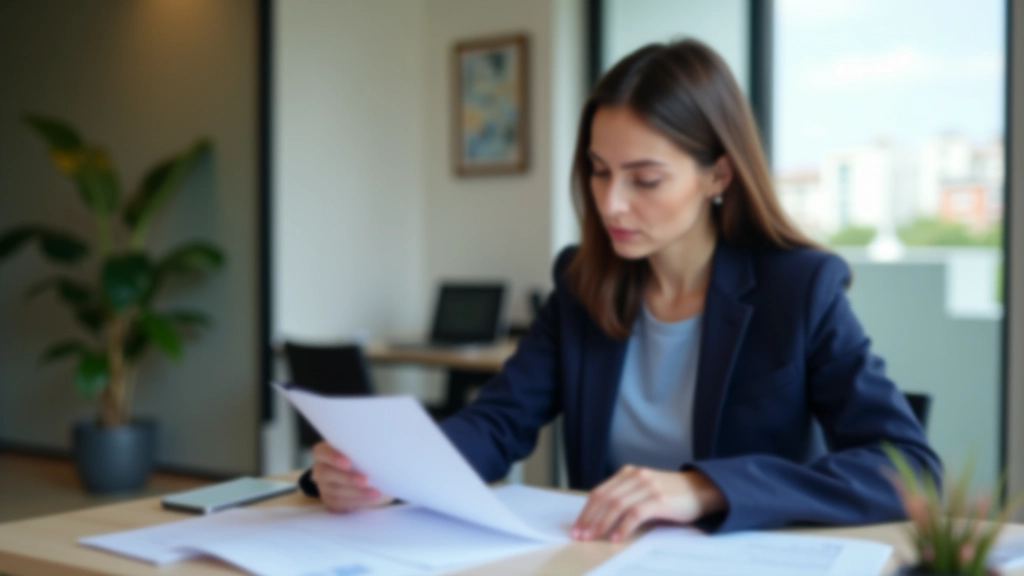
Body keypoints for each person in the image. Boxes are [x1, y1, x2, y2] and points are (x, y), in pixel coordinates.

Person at [299, 38, 941, 540]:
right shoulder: (583, 281)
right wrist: (387, 473)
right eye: (600, 172)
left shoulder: (797, 287)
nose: (612, 203)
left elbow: (909, 467)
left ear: (717, 173)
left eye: (645, 179)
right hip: (603, 557)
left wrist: (705, 489)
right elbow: (498, 424)